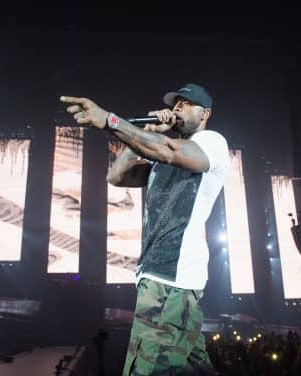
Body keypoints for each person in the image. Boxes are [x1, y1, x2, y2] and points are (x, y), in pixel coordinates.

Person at [60, 83, 229, 375]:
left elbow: (169, 152)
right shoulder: (163, 157)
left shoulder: (211, 142)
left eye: (186, 104)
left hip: (171, 277)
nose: (177, 108)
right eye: (175, 104)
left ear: (205, 113)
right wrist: (150, 131)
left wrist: (110, 121)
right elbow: (116, 176)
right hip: (160, 275)